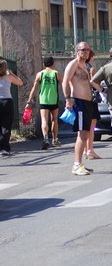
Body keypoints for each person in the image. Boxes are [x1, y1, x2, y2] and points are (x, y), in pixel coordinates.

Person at [62, 42, 95, 176]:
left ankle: (80, 163)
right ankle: (76, 164)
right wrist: (68, 99)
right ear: (77, 51)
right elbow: (65, 81)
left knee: (86, 133)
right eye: (83, 50)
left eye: (88, 49)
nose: (86, 52)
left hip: (87, 102)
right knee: (82, 133)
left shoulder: (85, 66)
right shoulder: (73, 64)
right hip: (79, 102)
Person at [25, 56, 63, 149]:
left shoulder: (40, 74)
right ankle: (55, 139)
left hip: (43, 100)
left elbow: (34, 88)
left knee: (44, 120)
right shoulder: (56, 73)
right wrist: (69, 96)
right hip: (54, 100)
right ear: (53, 63)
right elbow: (64, 84)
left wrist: (29, 101)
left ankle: (45, 138)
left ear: (43, 64)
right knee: (54, 120)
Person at [0, 59, 23, 156]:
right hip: (7, 101)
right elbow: (20, 83)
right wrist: (13, 74)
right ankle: (4, 148)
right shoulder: (9, 77)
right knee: (6, 125)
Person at [83, 49, 102, 160]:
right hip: (91, 98)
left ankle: (85, 150)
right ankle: (90, 150)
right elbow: (94, 83)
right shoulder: (91, 69)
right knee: (91, 126)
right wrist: (102, 89)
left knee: (84, 127)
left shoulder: (79, 67)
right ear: (91, 57)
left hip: (81, 98)